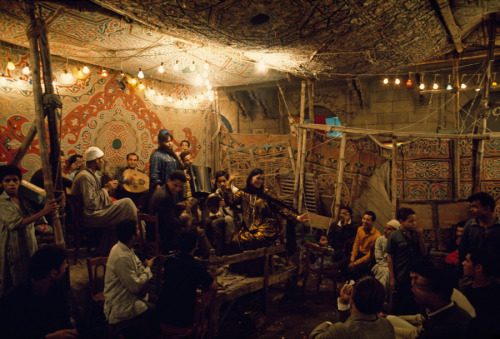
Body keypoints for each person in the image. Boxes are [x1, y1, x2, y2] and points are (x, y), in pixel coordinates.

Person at [0, 164, 58, 297]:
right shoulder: (2, 201)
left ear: (20, 182)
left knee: (28, 275)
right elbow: (17, 223)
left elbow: (33, 218)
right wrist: (44, 211)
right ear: (1, 184)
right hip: (12, 246)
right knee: (14, 280)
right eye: (7, 181)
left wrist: (51, 209)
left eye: (15, 180)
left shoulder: (23, 198)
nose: (12, 184)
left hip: (28, 242)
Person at [0, 246, 78, 339]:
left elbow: (64, 322)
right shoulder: (13, 300)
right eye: (64, 264)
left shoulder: (57, 290)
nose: (66, 266)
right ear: (53, 273)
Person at [223, 168, 310, 250]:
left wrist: (296, 217)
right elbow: (230, 201)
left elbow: (280, 207)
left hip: (266, 227)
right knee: (236, 241)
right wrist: (229, 182)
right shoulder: (243, 193)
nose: (260, 181)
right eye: (258, 178)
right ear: (251, 178)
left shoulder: (267, 192)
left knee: (255, 239)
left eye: (262, 179)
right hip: (248, 228)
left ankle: (260, 263)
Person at [71, 146, 137, 254]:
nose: (103, 162)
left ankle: (109, 250)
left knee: (121, 216)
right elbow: (91, 203)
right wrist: (106, 189)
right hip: (89, 216)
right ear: (96, 160)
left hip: (91, 212)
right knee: (127, 203)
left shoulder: (88, 175)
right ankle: (139, 235)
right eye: (102, 159)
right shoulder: (85, 176)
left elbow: (94, 196)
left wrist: (107, 188)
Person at [103, 220, 157, 338]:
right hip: (121, 303)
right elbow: (136, 287)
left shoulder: (127, 248)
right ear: (133, 236)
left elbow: (139, 267)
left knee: (158, 300)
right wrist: (148, 269)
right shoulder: (121, 256)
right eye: (137, 229)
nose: (139, 231)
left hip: (130, 295)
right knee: (155, 312)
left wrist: (145, 269)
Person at [157, 228, 217, 327]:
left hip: (163, 313)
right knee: (207, 310)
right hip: (182, 318)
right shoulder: (195, 265)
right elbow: (213, 286)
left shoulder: (169, 260)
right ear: (196, 245)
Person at [149, 170, 212, 255]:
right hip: (164, 236)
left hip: (157, 231)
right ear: (169, 181)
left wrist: (178, 206)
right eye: (175, 185)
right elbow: (171, 224)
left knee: (192, 229)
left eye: (180, 187)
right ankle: (210, 257)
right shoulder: (165, 197)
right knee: (198, 232)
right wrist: (184, 218)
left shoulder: (161, 190)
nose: (177, 189)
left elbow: (166, 211)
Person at [309, 276, 395, 339]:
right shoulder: (387, 325)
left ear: (352, 296)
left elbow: (314, 336)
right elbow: (353, 322)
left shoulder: (339, 331)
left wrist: (327, 324)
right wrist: (343, 302)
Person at [387, 207, 427, 315]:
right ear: (401, 221)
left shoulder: (415, 234)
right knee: (400, 303)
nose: (414, 223)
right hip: (401, 275)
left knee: (414, 303)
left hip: (415, 275)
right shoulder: (394, 236)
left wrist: (420, 237)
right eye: (411, 221)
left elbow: (424, 253)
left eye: (415, 220)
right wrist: (392, 278)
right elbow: (390, 258)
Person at [461, 249, 500, 338]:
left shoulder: (493, 295)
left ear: (478, 267)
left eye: (467, 261)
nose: (463, 263)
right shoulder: (468, 289)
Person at [458, 192, 500, 265]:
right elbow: (463, 250)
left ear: (487, 208)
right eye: (470, 207)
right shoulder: (470, 226)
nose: (470, 210)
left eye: (474, 207)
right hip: (475, 271)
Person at [204, 170, 240, 255]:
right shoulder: (218, 191)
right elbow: (217, 209)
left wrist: (228, 204)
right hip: (223, 216)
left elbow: (239, 208)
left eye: (224, 181)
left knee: (215, 223)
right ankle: (208, 249)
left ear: (228, 180)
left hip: (233, 218)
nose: (222, 184)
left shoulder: (235, 191)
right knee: (207, 221)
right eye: (220, 182)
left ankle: (221, 251)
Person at [347, 211, 381, 281]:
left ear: (373, 222)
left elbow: (370, 255)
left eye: (368, 220)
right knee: (342, 264)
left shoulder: (377, 236)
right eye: (364, 219)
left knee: (352, 270)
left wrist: (356, 262)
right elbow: (356, 244)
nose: (364, 221)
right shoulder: (360, 229)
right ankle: (348, 284)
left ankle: (357, 286)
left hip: (367, 260)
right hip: (358, 255)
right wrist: (352, 259)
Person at [372, 219, 399, 298]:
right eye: (385, 228)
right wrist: (389, 267)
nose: (385, 231)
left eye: (389, 229)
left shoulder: (398, 241)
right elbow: (378, 258)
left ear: (396, 231)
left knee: (387, 273)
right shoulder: (380, 240)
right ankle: (383, 297)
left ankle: (379, 297)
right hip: (379, 266)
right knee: (387, 273)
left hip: (393, 267)